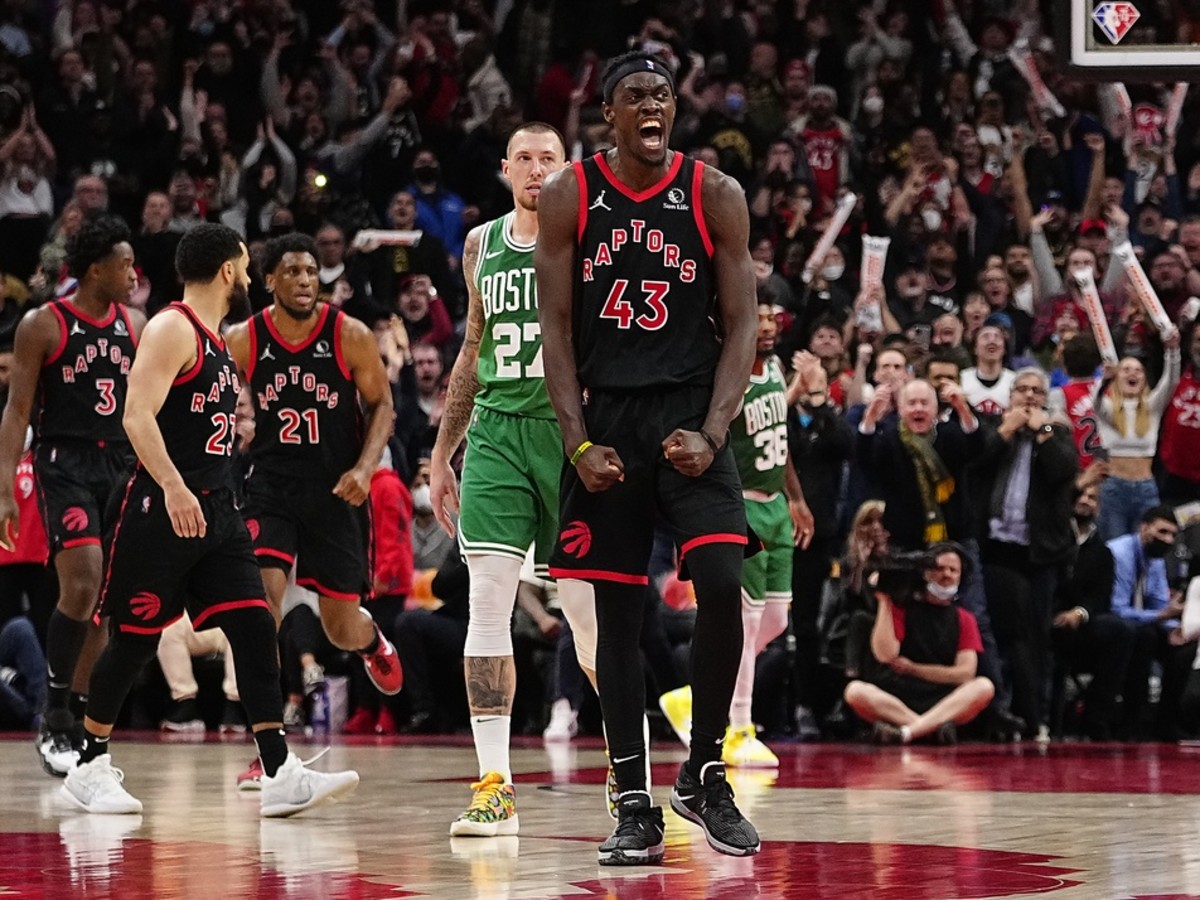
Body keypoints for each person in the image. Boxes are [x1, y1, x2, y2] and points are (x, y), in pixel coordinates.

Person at [536, 50, 761, 864]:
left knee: (725, 584)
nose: (654, 106)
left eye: (663, 94)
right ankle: (633, 802)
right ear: (609, 115)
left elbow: (743, 325)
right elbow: (555, 331)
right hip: (610, 422)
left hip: (693, 418)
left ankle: (704, 773)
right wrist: (578, 441)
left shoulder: (716, 194)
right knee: (616, 622)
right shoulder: (570, 194)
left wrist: (713, 428)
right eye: (636, 96)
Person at [61, 223, 358, 815]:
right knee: (136, 639)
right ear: (228, 270)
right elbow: (135, 415)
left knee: (253, 626)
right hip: (163, 511)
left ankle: (279, 772)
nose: (249, 277)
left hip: (220, 512)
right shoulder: (173, 327)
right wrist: (172, 485)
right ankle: (89, 761)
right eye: (246, 266)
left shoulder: (217, 339)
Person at [427, 121, 601, 837]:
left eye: (548, 158)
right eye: (524, 158)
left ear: (569, 168)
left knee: (589, 620)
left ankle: (629, 761)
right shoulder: (480, 244)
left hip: (570, 438)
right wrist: (443, 452)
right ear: (504, 169)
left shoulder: (591, 238)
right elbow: (472, 349)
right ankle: (494, 783)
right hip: (497, 434)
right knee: (487, 604)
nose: (536, 169)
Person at [225, 232, 401, 787]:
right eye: (292, 272)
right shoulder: (243, 339)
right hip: (270, 488)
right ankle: (269, 745)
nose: (305, 280)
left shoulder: (347, 334)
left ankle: (373, 642)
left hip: (335, 489)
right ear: (269, 279)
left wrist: (365, 467)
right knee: (261, 611)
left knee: (340, 627)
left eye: (310, 272)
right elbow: (216, 403)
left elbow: (382, 406)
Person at [0, 214, 141, 776]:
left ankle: (79, 716)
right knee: (80, 581)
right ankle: (53, 713)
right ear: (95, 270)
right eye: (125, 264)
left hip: (121, 463)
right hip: (65, 461)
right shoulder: (43, 324)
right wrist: (5, 485)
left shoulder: (136, 324)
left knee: (104, 601)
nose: (134, 273)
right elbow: (16, 412)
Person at [658, 301, 814, 767]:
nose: (765, 324)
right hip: (741, 503)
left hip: (777, 507)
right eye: (757, 316)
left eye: (771, 317)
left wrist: (798, 499)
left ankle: (693, 694)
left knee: (777, 622)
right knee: (742, 626)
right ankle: (739, 728)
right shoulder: (731, 382)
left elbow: (776, 435)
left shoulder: (776, 372)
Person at [843, 543, 995, 744]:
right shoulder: (902, 608)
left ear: (961, 576)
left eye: (953, 570)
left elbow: (965, 673)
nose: (946, 574)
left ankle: (907, 732)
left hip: (943, 699)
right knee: (855, 691)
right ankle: (929, 729)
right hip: (898, 696)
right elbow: (885, 654)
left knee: (983, 687)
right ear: (926, 573)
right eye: (939, 568)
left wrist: (913, 669)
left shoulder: (964, 618)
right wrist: (884, 599)